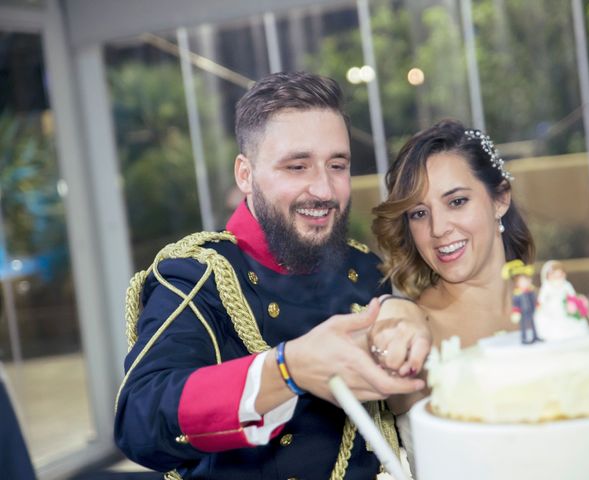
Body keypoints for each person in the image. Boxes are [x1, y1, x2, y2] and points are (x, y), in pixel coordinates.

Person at [114, 71, 430, 480]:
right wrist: (288, 369)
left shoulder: (366, 269)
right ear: (245, 174)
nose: (324, 190)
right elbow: (139, 421)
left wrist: (407, 316)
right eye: (296, 166)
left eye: (337, 165)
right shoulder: (195, 277)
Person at [369, 119, 535, 463]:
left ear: (500, 199)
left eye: (456, 201)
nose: (438, 228)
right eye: (418, 213)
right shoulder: (410, 340)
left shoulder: (553, 308)